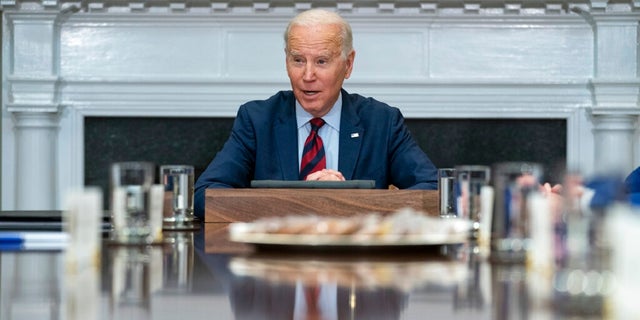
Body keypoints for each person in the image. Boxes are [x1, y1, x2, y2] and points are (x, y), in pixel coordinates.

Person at [193, 9, 438, 218]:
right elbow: (205, 195)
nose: (308, 75)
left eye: (321, 61)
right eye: (298, 60)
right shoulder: (258, 120)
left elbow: (435, 191)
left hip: (357, 264)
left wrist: (349, 204)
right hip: (275, 264)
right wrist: (300, 202)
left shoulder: (381, 122)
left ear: (348, 65)